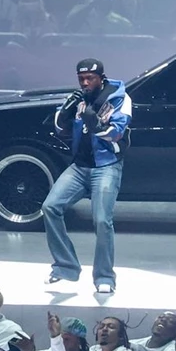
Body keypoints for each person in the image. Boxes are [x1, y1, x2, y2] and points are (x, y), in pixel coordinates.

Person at [43, 58, 131, 295]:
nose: (85, 82)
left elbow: (117, 132)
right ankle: (66, 267)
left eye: (89, 78)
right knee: (50, 207)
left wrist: (96, 126)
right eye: (81, 78)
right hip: (79, 167)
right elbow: (59, 126)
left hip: (106, 166)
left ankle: (104, 277)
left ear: (101, 78)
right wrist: (65, 112)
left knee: (102, 220)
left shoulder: (119, 97)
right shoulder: (78, 98)